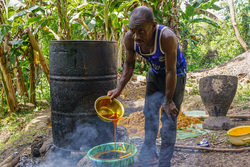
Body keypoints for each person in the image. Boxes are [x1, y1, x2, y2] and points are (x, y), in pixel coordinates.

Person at [107, 6, 186, 167]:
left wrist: (168, 100)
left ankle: (164, 162)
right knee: (149, 113)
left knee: (169, 118)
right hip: (155, 74)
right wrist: (119, 88)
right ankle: (149, 153)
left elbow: (170, 71)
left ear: (153, 26)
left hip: (175, 75)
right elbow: (129, 65)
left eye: (141, 31)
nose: (136, 36)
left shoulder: (166, 37)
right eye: (133, 31)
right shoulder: (130, 38)